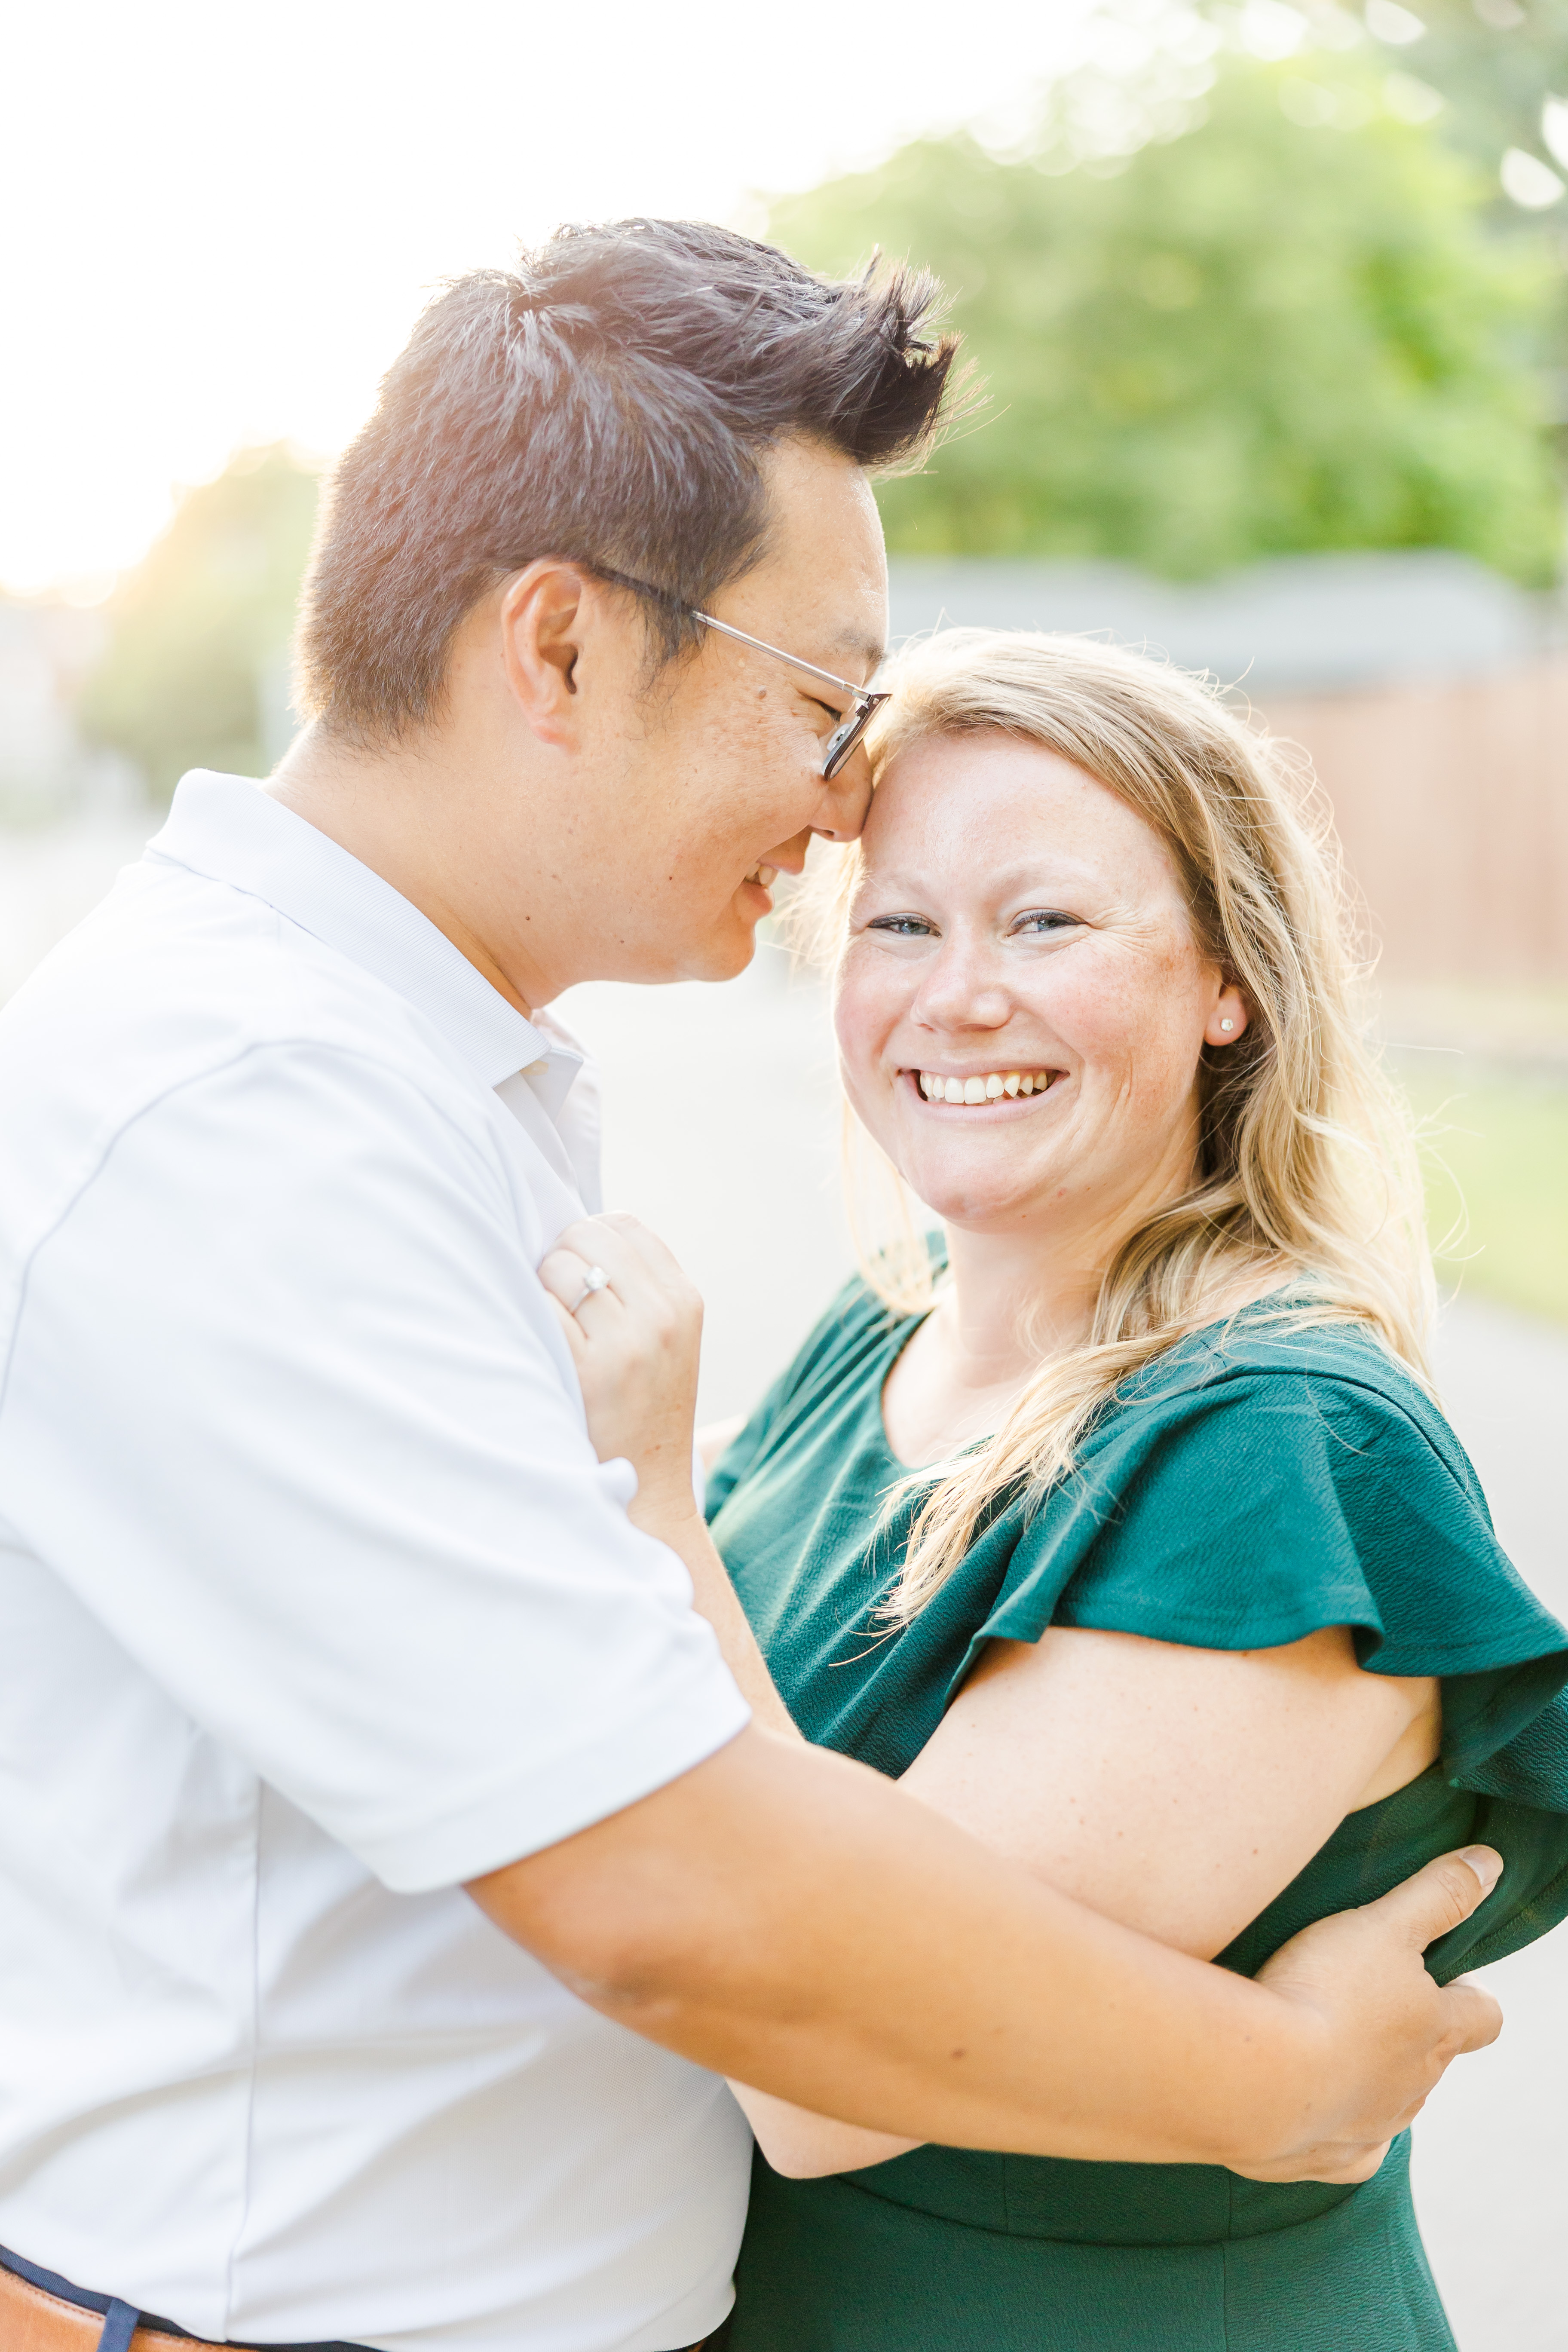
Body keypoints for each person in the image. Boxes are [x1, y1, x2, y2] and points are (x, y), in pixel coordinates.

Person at [0, 231, 1504, 2352]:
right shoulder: (254, 1112)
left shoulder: (427, 1076)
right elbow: (669, 1895)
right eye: (822, 700)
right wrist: (1285, 2082)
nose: (828, 811)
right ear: (560, 650)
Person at [547, 625, 1568, 2351]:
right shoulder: (887, 1336)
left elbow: (830, 2066)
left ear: (1226, 982)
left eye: (1047, 921)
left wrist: (651, 1502)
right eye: (900, 922)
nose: (959, 995)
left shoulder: (1278, 1448)